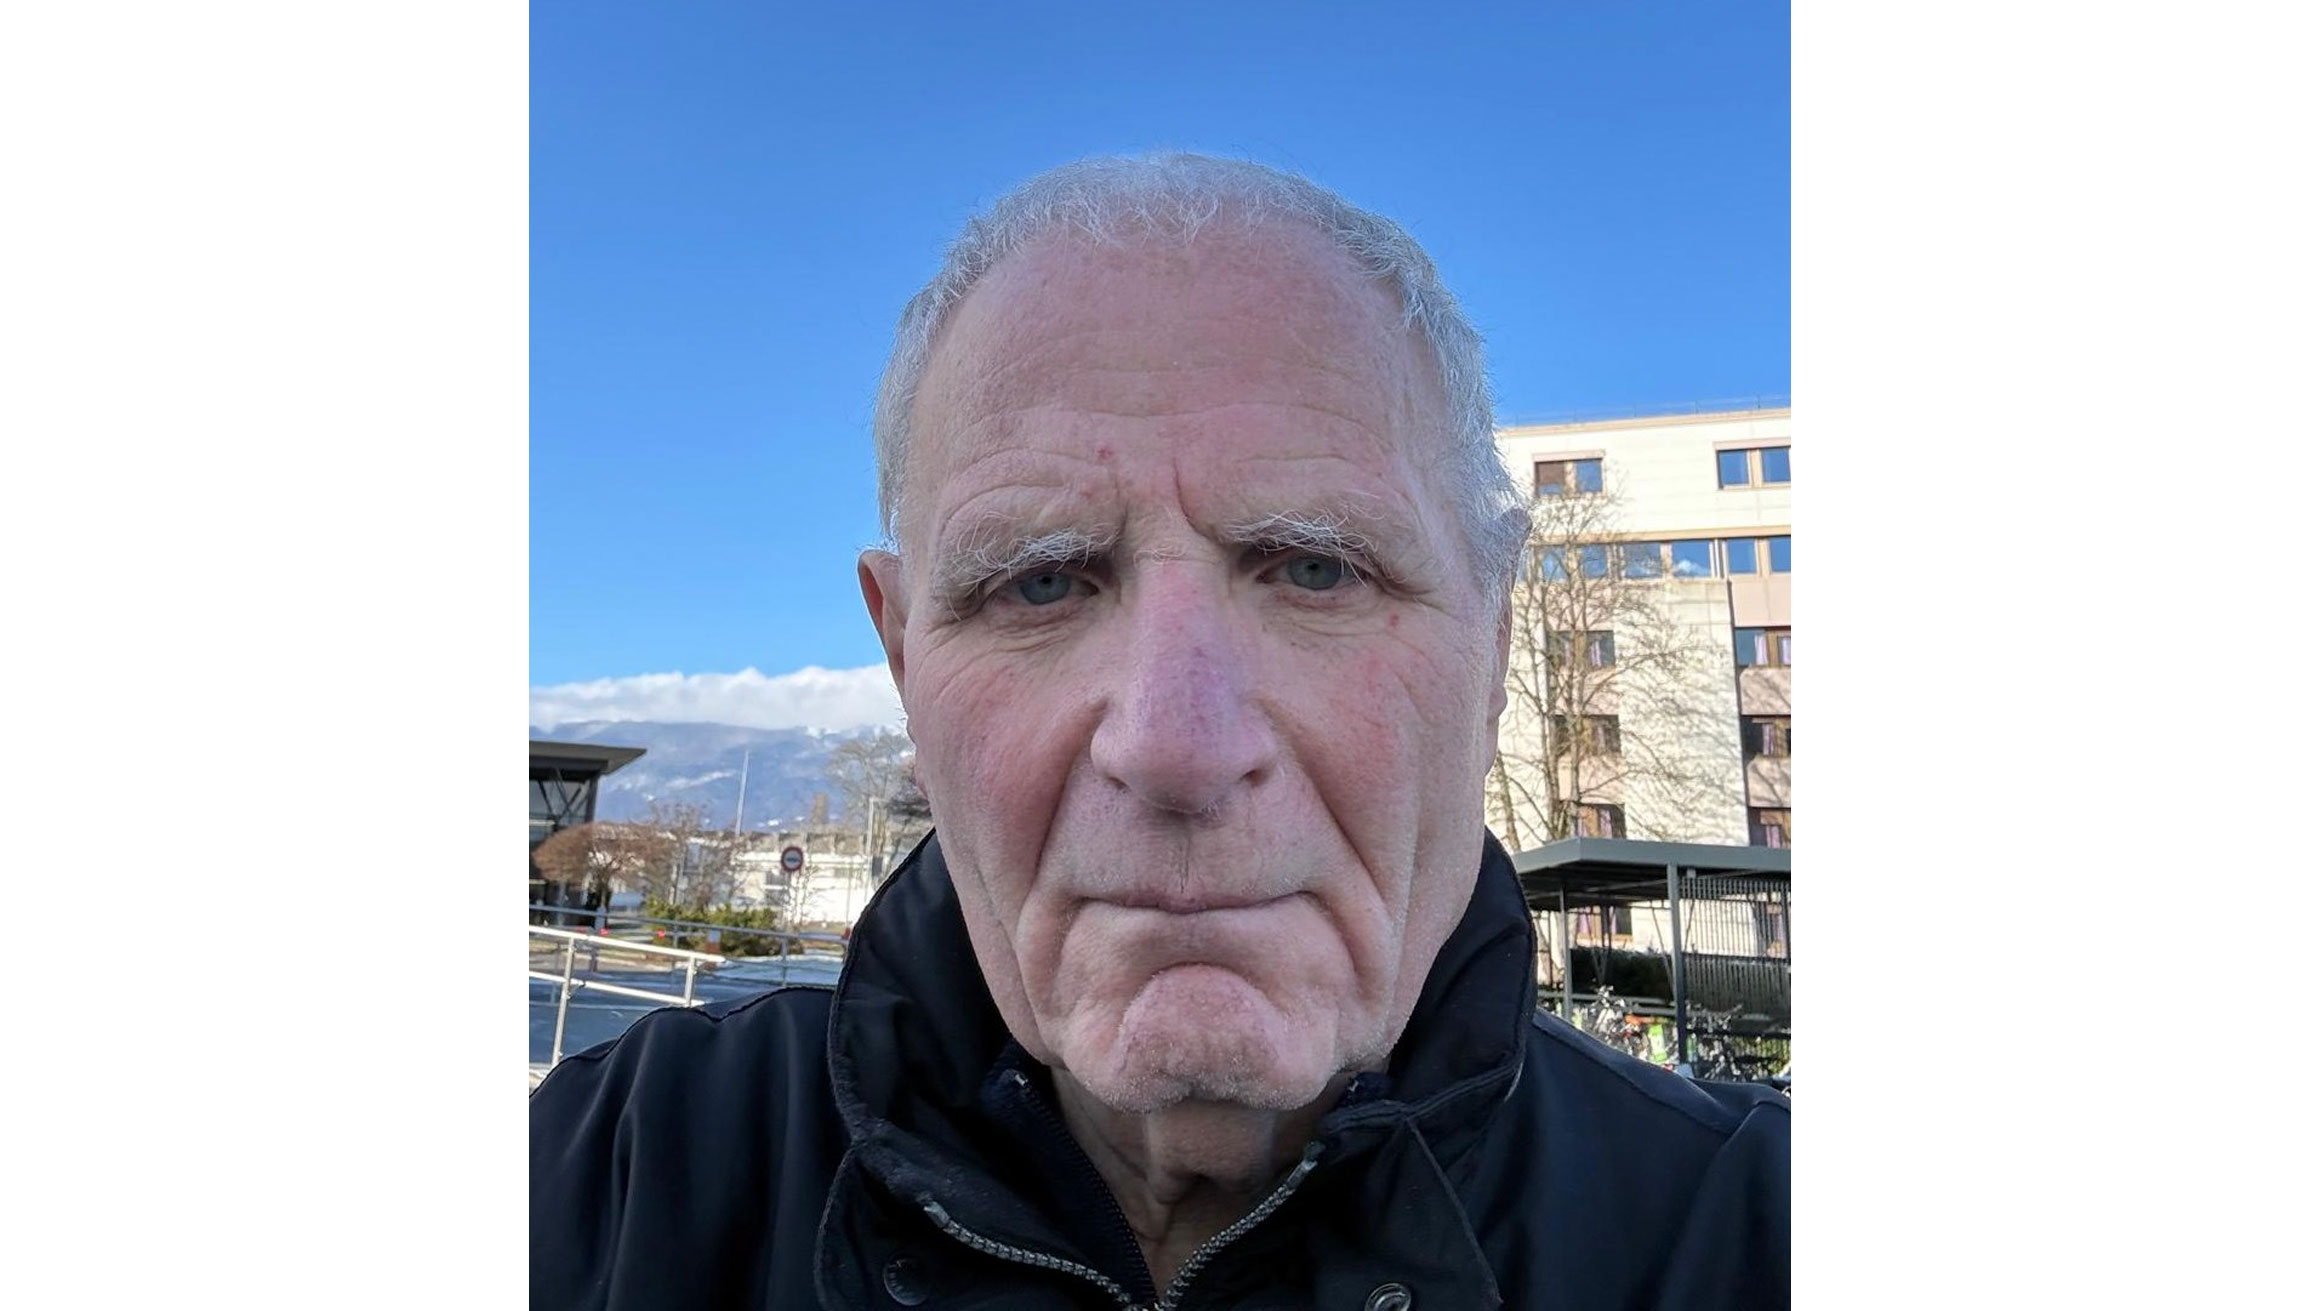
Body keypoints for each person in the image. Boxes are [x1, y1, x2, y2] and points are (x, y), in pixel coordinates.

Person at [531, 153, 1788, 1310]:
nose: (1176, 745)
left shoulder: (1761, 1232)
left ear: (1497, 637)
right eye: (1038, 581)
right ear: (905, 655)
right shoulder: (607, 1183)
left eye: (1315, 571)